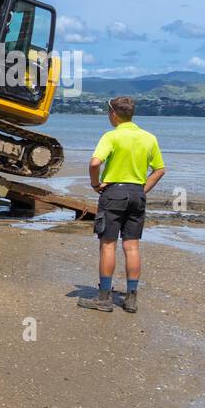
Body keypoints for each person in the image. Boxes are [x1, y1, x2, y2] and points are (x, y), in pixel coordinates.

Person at [77, 96, 165, 314]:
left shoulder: (111, 136)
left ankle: (105, 298)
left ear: (114, 114)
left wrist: (95, 183)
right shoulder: (148, 137)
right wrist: (141, 190)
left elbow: (95, 162)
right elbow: (159, 170)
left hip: (114, 193)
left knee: (108, 244)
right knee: (132, 246)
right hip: (137, 192)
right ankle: (131, 299)